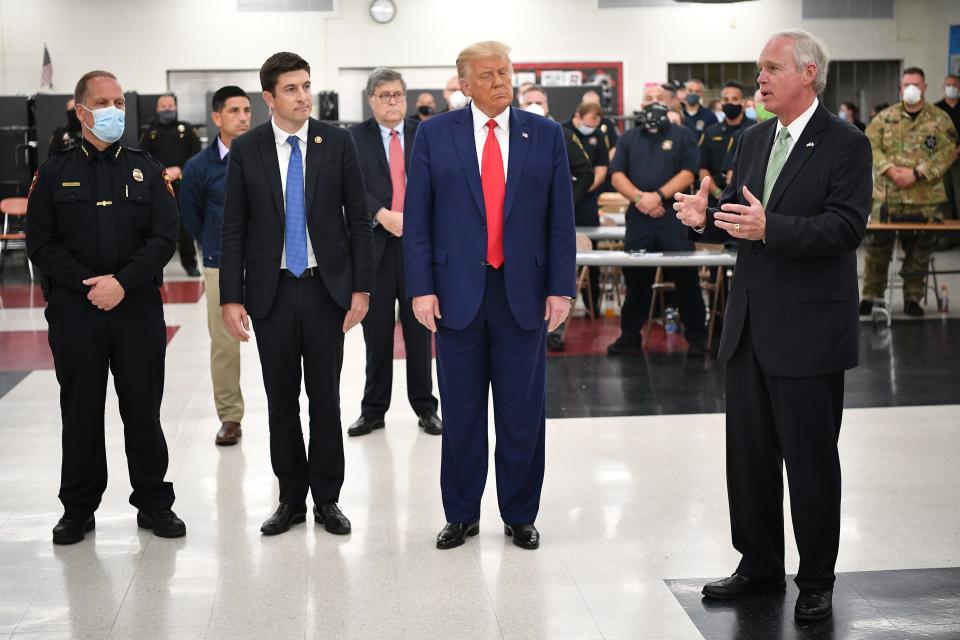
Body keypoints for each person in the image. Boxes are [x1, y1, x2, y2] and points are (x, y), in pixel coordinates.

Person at [674, 29, 872, 622]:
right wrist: (705, 218)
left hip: (809, 332)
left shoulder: (846, 144)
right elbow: (743, 214)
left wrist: (773, 230)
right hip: (750, 327)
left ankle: (816, 578)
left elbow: (845, 228)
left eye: (770, 68)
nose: (758, 79)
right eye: (759, 69)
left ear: (808, 73)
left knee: (811, 461)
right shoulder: (756, 137)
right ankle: (759, 563)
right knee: (750, 457)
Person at [404, 41, 576, 551]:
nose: (502, 81)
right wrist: (421, 289)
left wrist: (561, 289)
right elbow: (418, 220)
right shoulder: (435, 134)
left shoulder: (544, 133)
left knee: (522, 413)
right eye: (489, 74)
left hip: (522, 294)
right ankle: (460, 513)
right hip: (456, 294)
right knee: (461, 412)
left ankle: (520, 514)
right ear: (464, 83)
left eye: (507, 72)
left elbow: (560, 220)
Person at [26, 70, 187, 544]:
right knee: (80, 410)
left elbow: (164, 236)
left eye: (119, 101)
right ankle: (77, 508)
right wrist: (87, 284)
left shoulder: (147, 168)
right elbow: (40, 241)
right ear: (81, 112)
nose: (115, 110)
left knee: (142, 409)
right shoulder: (53, 171)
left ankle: (154, 502)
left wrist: (122, 282)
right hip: (76, 310)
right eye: (104, 102)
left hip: (135, 307)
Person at [219, 52, 373, 536]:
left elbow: (360, 223)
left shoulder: (338, 141)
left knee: (325, 398)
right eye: (291, 89)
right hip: (273, 294)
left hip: (326, 291)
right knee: (281, 399)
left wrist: (361, 289)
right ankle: (291, 498)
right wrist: (230, 296)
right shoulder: (249, 150)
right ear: (269, 97)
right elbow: (234, 229)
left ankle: (328, 498)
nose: (303, 95)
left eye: (306, 86)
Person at [346, 68, 441, 437]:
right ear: (371, 100)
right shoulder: (354, 138)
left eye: (398, 94)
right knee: (377, 333)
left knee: (421, 331)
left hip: (419, 247)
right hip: (376, 247)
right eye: (384, 95)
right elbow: (349, 187)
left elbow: (440, 182)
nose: (392, 101)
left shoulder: (426, 133)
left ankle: (425, 407)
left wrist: (413, 218)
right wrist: (381, 214)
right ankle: (373, 410)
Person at [606, 85, 708, 356]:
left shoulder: (683, 135)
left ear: (671, 103)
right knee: (636, 283)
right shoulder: (628, 137)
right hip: (639, 220)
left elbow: (689, 173)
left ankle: (697, 339)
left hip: (674, 217)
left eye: (660, 99)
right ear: (641, 104)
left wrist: (659, 196)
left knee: (686, 280)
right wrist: (642, 200)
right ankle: (629, 337)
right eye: (649, 99)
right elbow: (616, 175)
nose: (654, 103)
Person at [179, 86, 251, 446]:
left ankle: (284, 414)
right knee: (224, 345)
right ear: (217, 117)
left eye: (247, 110)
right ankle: (230, 417)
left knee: (281, 343)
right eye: (234, 110)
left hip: (268, 264)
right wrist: (213, 244)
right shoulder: (198, 167)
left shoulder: (265, 156)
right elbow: (190, 216)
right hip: (220, 265)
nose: (243, 117)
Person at [861, 67, 957, 316]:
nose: (911, 88)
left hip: (924, 198)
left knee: (919, 249)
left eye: (916, 84)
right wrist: (890, 170)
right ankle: (871, 296)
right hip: (887, 198)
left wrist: (917, 173)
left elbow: (948, 151)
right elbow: (869, 145)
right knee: (876, 248)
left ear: (924, 87)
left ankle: (913, 298)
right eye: (907, 84)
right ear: (900, 88)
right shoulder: (884, 118)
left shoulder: (940, 119)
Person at [517, 86, 595, 352]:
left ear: (547, 105)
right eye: (529, 101)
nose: (534, 105)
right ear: (519, 102)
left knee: (557, 274)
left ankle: (555, 330)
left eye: (539, 101)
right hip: (519, 225)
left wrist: (563, 201)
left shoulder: (562, 135)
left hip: (553, 222)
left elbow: (585, 172)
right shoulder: (506, 135)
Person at [700, 81, 755, 207]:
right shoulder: (711, 131)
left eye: (735, 99)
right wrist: (718, 193)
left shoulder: (755, 129)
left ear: (743, 102)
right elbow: (703, 168)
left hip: (747, 200)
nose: (730, 102)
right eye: (726, 99)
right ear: (721, 102)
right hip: (717, 199)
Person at [935, 74, 960, 226]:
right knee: (944, 196)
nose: (951, 87)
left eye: (955, 84)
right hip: (941, 159)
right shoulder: (936, 109)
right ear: (943, 88)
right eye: (948, 84)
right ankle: (946, 235)